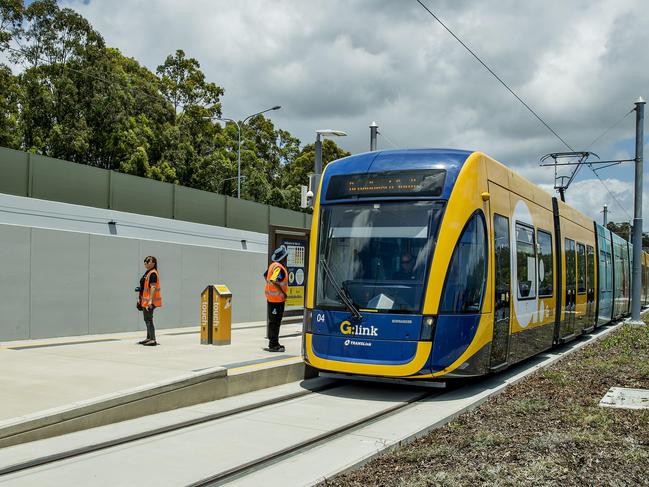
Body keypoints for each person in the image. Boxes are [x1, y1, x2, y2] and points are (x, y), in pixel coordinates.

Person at [264, 245, 289, 352]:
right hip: (277, 300)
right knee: (275, 322)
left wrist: (269, 286)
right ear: (283, 257)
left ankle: (273, 343)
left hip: (271, 299)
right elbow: (274, 280)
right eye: (286, 256)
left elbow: (266, 276)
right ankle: (273, 344)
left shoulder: (272, 265)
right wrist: (282, 293)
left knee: (273, 322)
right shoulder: (279, 268)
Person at [137, 256, 162, 346]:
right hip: (145, 300)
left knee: (149, 319)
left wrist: (150, 301)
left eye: (148, 261)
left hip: (150, 301)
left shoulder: (153, 273)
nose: (145, 263)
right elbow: (145, 287)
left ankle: (153, 339)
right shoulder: (148, 273)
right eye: (145, 261)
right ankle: (149, 338)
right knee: (147, 319)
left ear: (153, 263)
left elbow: (153, 287)